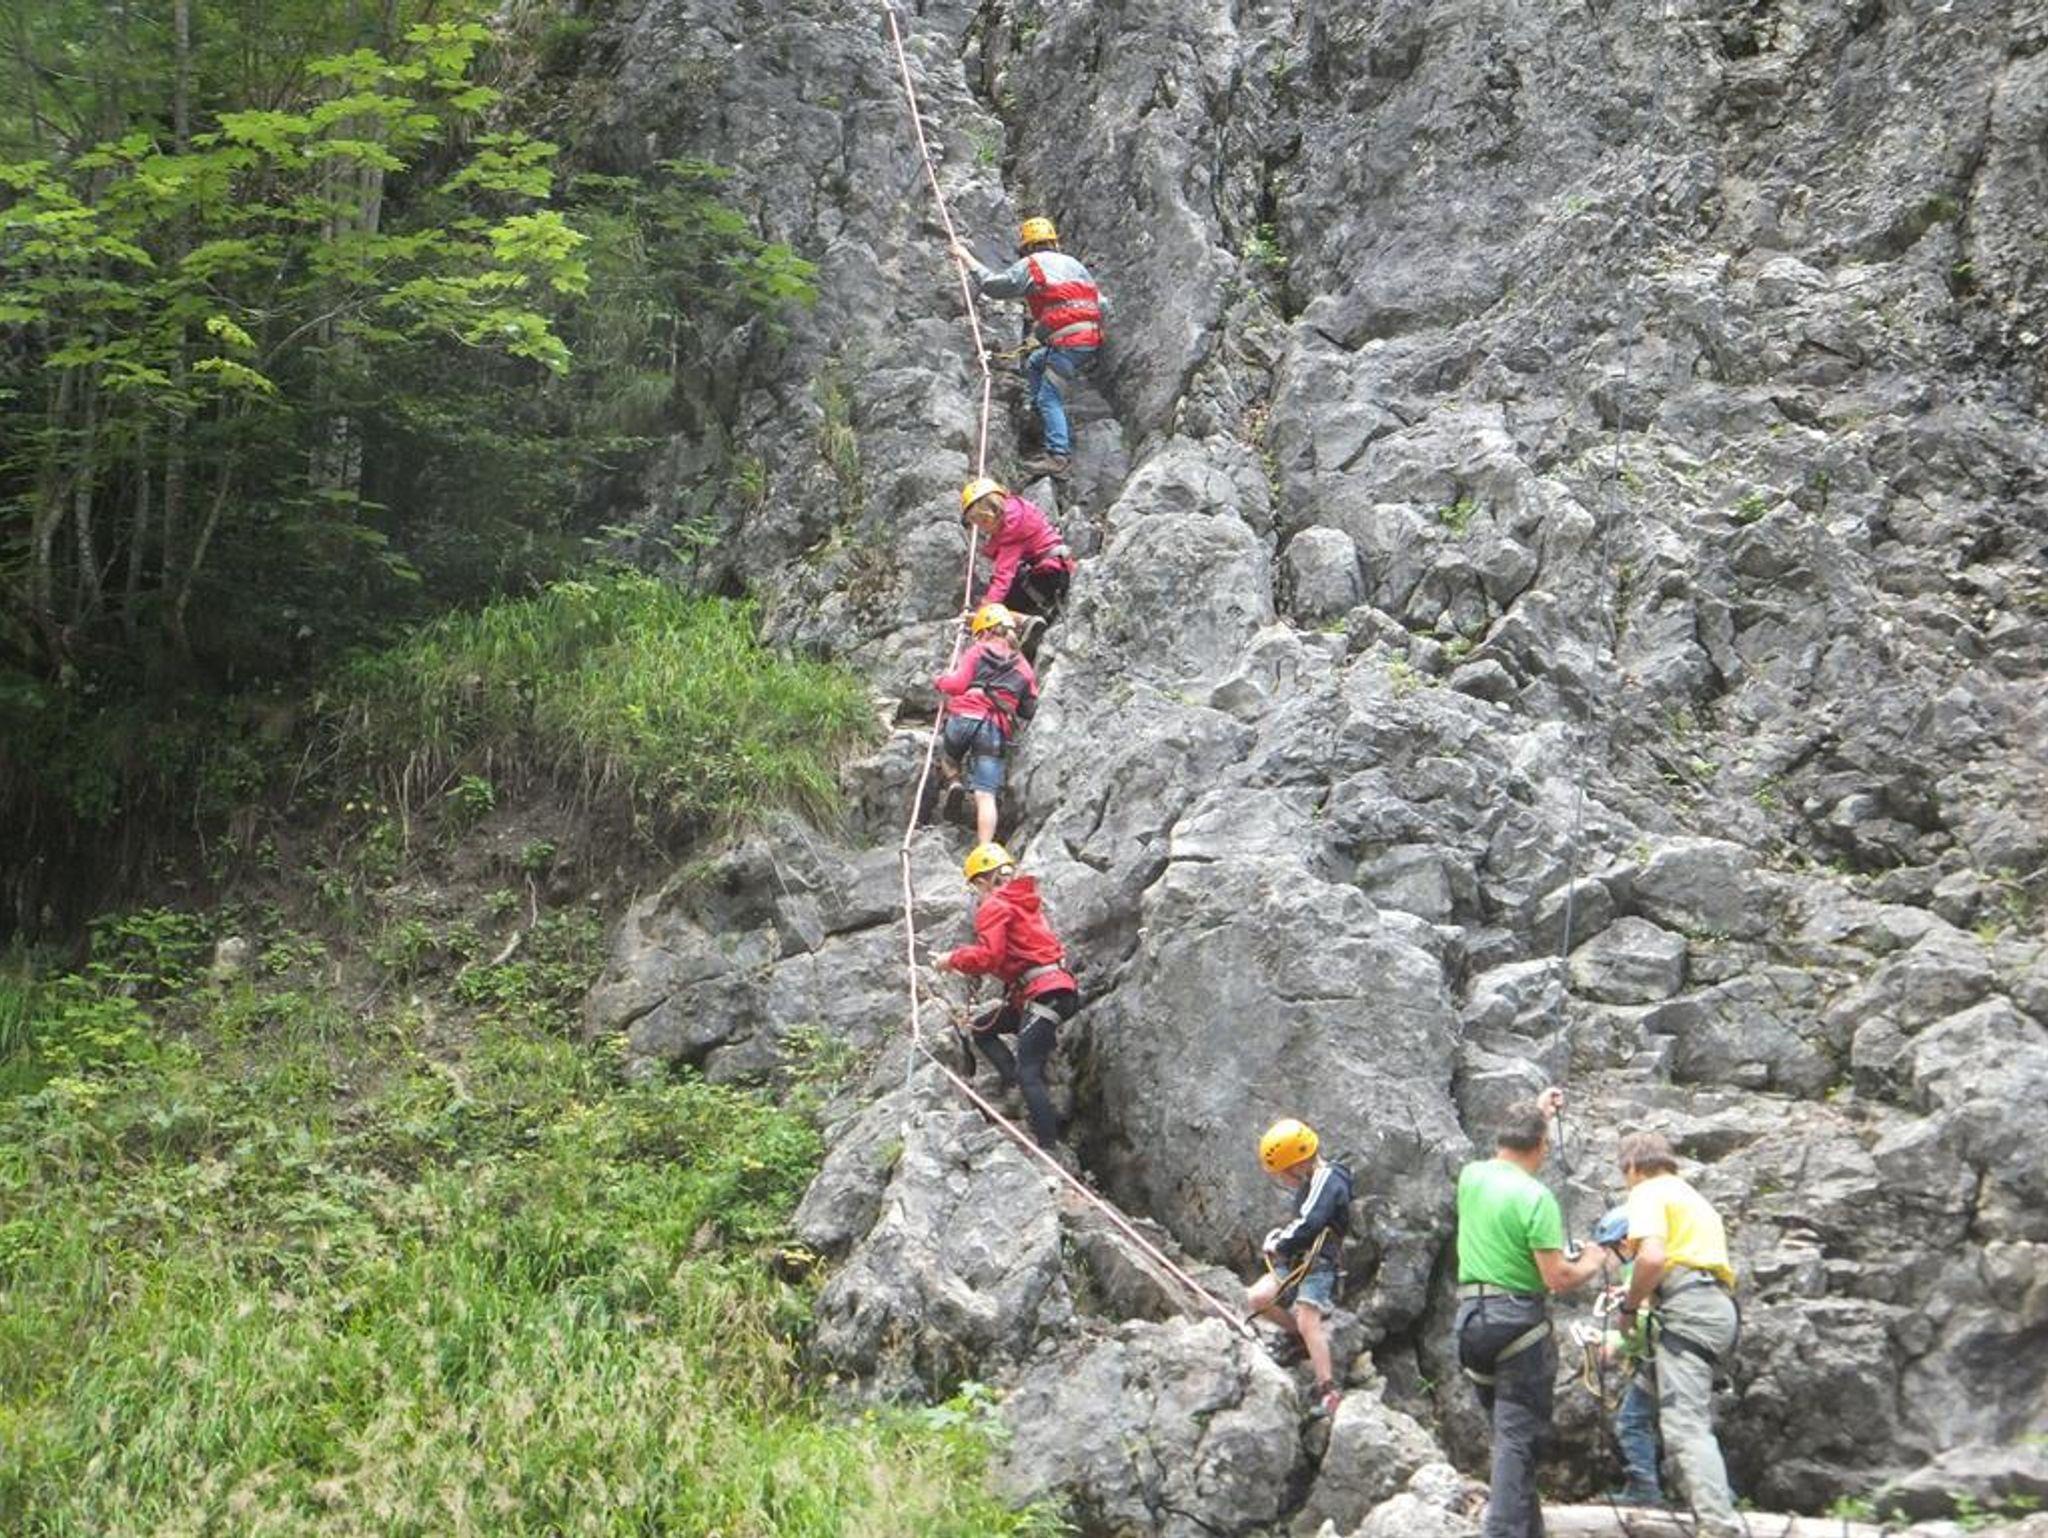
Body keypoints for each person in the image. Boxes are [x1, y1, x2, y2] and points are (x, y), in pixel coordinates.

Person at [1453, 1087, 1613, 1538]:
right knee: (1517, 1438)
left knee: (1508, 1435)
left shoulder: (1472, 1176)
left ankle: (1528, 1530)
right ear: (1542, 1146)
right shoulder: (1537, 1198)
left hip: (1470, 1322)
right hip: (1516, 1325)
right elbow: (1557, 1277)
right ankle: (1502, 1532)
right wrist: (1593, 1261)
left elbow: (1510, 1147)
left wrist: (1537, 1113)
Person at [1613, 1131, 1741, 1536]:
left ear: (1634, 1167)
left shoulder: (1647, 1192)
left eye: (1624, 1174)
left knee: (1685, 1424)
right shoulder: (1693, 1198)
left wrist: (1629, 1306)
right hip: (1713, 1307)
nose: (1626, 1182)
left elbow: (1652, 1258)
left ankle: (1719, 1526)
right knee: (1652, 1401)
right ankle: (1688, 1499)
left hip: (1688, 1312)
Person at [932, 841, 1079, 1150]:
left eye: (975, 886)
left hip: (1043, 994)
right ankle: (1014, 1086)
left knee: (1029, 1072)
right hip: (1052, 991)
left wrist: (952, 959)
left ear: (982, 881)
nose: (976, 893)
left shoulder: (995, 905)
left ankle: (1047, 1148)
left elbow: (989, 956)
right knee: (981, 1029)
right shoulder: (1025, 903)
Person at [950, 216, 1105, 478]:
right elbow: (1102, 304)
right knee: (1035, 362)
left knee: (1049, 396)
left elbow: (994, 286)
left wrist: (966, 258)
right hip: (1087, 339)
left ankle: (1058, 456)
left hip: (1068, 344)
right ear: (1053, 242)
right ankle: (1039, 420)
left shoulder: (1032, 265)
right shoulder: (1076, 265)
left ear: (1028, 246)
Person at [1245, 1117, 1352, 1419]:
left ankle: (1328, 1389)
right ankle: (1299, 1339)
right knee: (1258, 1297)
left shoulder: (1327, 1179)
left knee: (1308, 1320)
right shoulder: (1313, 1182)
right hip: (1298, 1261)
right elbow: (1304, 1222)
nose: (1283, 1180)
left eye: (1284, 1172)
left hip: (1318, 1264)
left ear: (1298, 1163)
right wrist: (1281, 1241)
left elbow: (1311, 1222)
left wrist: (1279, 1243)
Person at [933, 602, 1039, 845]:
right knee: (986, 795)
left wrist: (939, 681)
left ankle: (954, 782)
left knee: (948, 756)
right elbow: (1029, 709)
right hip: (995, 728)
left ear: (985, 631)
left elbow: (957, 685)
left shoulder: (978, 651)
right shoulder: (1023, 666)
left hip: (964, 717)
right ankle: (984, 848)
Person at [1589, 1206, 1662, 1507]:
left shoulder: (1638, 1273)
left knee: (1632, 1421)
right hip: (1672, 1355)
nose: (1605, 1258)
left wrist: (1614, 1342)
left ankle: (1645, 1489)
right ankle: (1721, 1494)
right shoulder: (1641, 1272)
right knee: (1686, 1424)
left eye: (1607, 1250)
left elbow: (1644, 1325)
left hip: (1661, 1359)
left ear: (1623, 1245)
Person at [959, 477, 1073, 632]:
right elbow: (1000, 543)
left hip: (1049, 576)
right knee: (1014, 580)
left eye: (983, 522)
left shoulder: (1011, 533)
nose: (982, 528)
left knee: (1002, 602)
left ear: (989, 516)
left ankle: (1025, 622)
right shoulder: (1015, 509)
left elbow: (1003, 577)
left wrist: (983, 611)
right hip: (1057, 565)